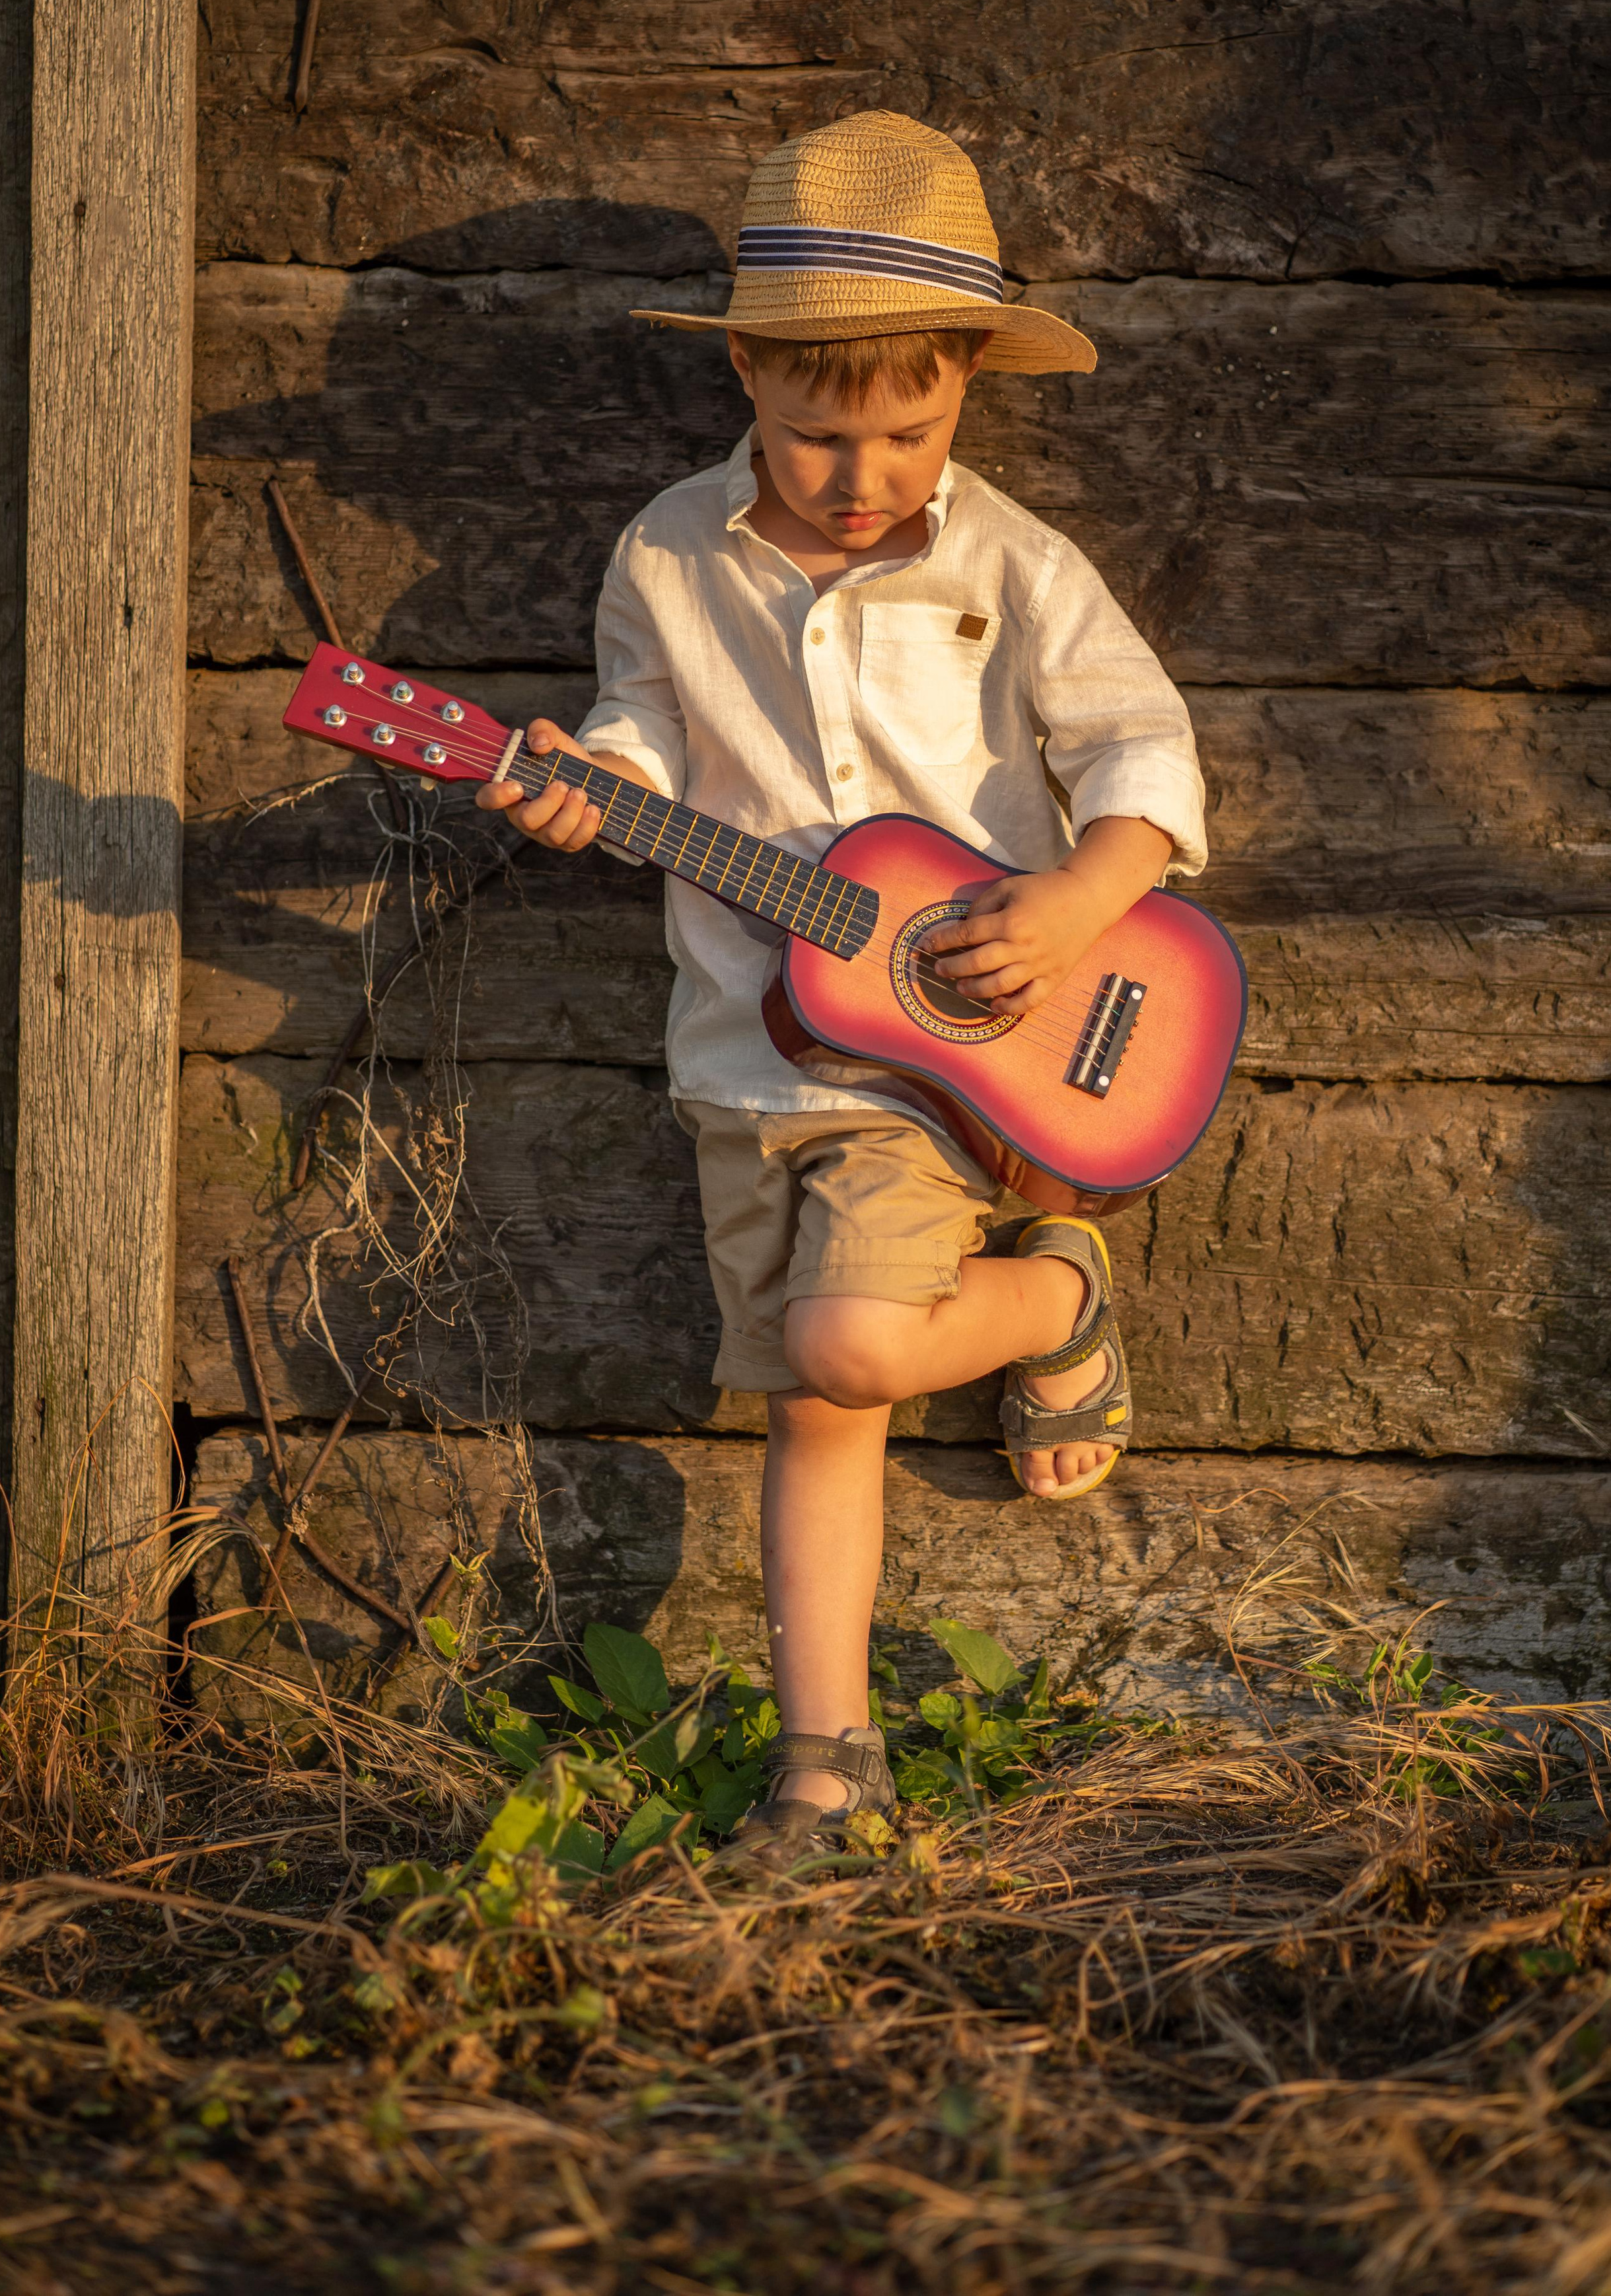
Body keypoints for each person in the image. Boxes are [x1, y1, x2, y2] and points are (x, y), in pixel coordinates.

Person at [478, 112, 1207, 1865]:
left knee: (848, 1339)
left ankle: (1049, 1290)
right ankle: (826, 1761)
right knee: (823, 1404)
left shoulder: (1013, 563)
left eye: (910, 430)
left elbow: (1141, 745)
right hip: (751, 1058)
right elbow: (644, 729)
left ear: (964, 383)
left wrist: (1066, 906)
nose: (862, 474)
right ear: (744, 372)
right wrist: (589, 780)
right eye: (819, 435)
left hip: (960, 1063)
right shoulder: (669, 553)